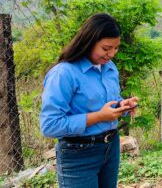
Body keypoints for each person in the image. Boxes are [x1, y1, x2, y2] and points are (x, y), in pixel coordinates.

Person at [40, 13, 139, 188]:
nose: (111, 54)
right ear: (88, 41)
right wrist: (100, 116)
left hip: (110, 148)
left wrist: (121, 105)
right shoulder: (64, 73)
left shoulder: (109, 67)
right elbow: (50, 125)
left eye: (116, 48)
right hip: (78, 154)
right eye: (106, 48)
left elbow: (109, 101)